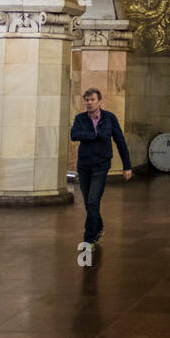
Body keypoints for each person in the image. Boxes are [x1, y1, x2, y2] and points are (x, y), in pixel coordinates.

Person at [70, 88, 132, 248]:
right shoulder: (80, 118)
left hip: (101, 165)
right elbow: (74, 135)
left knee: (93, 202)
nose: (89, 103)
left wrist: (127, 166)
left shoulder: (109, 118)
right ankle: (98, 227)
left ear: (99, 102)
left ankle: (89, 238)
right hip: (84, 165)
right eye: (86, 100)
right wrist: (95, 135)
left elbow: (120, 141)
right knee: (88, 203)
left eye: (92, 100)